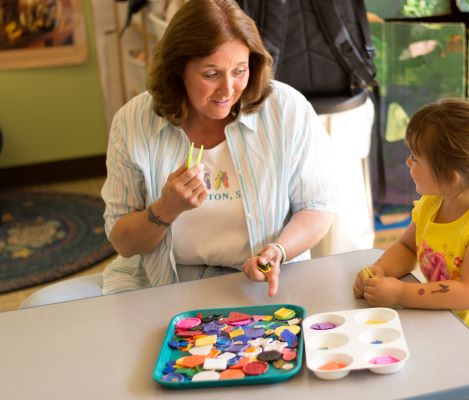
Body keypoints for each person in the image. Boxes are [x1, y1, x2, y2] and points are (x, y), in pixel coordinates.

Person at [19, 0, 335, 308]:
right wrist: (165, 209)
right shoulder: (133, 121)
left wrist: (276, 252)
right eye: (211, 74)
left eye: (239, 70)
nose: (228, 90)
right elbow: (124, 244)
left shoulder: (286, 110)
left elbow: (317, 208)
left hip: (259, 280)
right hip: (163, 281)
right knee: (37, 307)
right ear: (178, 70)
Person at [353, 98, 469, 386]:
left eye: (415, 157)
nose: (407, 162)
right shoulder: (432, 202)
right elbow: (407, 247)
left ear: (450, 176)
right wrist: (380, 271)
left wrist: (400, 293)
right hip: (448, 329)